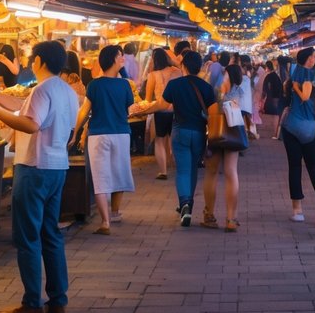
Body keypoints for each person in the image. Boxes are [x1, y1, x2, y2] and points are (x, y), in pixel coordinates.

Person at [0, 41, 78, 313]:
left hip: (34, 167)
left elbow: (30, 123)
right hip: (57, 168)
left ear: (40, 60)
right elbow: (25, 108)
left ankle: (32, 305)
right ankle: (58, 303)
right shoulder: (65, 90)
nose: (30, 62)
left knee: (28, 237)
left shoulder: (42, 90)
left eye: (32, 58)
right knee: (50, 234)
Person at [135, 50, 215, 227]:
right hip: (199, 133)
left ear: (184, 66)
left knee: (183, 170)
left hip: (180, 131)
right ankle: (189, 204)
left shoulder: (175, 84)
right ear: (200, 67)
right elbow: (213, 112)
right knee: (193, 169)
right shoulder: (206, 87)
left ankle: (184, 203)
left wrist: (144, 111)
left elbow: (162, 105)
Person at [72, 46, 136, 235]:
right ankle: (115, 212)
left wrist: (76, 133)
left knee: (100, 177)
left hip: (98, 135)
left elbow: (84, 111)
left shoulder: (94, 85)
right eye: (120, 55)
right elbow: (131, 110)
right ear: (113, 59)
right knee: (119, 173)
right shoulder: (125, 85)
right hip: (122, 134)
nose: (122, 58)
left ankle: (105, 222)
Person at [282, 47, 315, 228]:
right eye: (314, 56)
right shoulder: (307, 74)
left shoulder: (295, 71)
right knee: (314, 166)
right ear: (308, 58)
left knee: (294, 166)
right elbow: (305, 96)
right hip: (308, 126)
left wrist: (294, 86)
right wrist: (298, 88)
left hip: (291, 125)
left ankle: (297, 210)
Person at [202, 63, 249, 232]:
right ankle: (231, 218)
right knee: (231, 172)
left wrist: (221, 92)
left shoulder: (217, 89)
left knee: (211, 172)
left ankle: (209, 214)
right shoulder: (240, 91)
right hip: (233, 133)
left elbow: (210, 109)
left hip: (215, 130)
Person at [143, 48, 177, 180]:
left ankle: (163, 171)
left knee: (159, 140)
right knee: (173, 138)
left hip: (160, 111)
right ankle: (174, 165)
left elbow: (148, 98)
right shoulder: (177, 72)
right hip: (176, 110)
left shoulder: (153, 75)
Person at [261, 59, 286, 139]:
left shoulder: (268, 76)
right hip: (279, 98)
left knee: (274, 116)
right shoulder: (277, 76)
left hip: (272, 98)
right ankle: (276, 133)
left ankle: (275, 134)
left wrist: (262, 99)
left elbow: (264, 90)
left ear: (267, 67)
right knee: (276, 115)